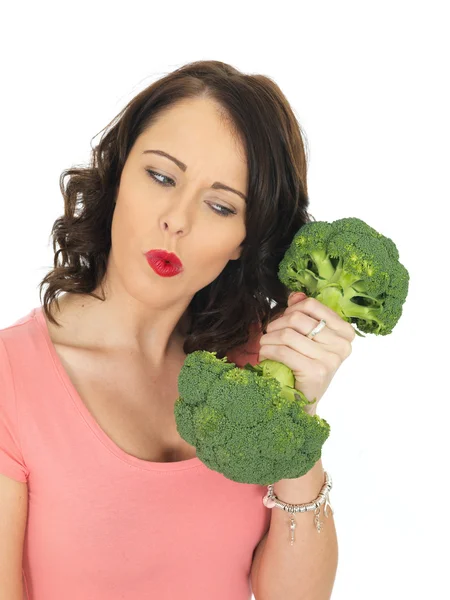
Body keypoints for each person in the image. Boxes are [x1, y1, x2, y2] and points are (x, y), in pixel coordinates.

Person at [0, 60, 312, 599]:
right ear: (118, 172)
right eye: (162, 176)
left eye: (220, 205)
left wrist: (298, 414)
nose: (178, 220)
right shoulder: (10, 378)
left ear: (245, 238)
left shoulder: (257, 367)